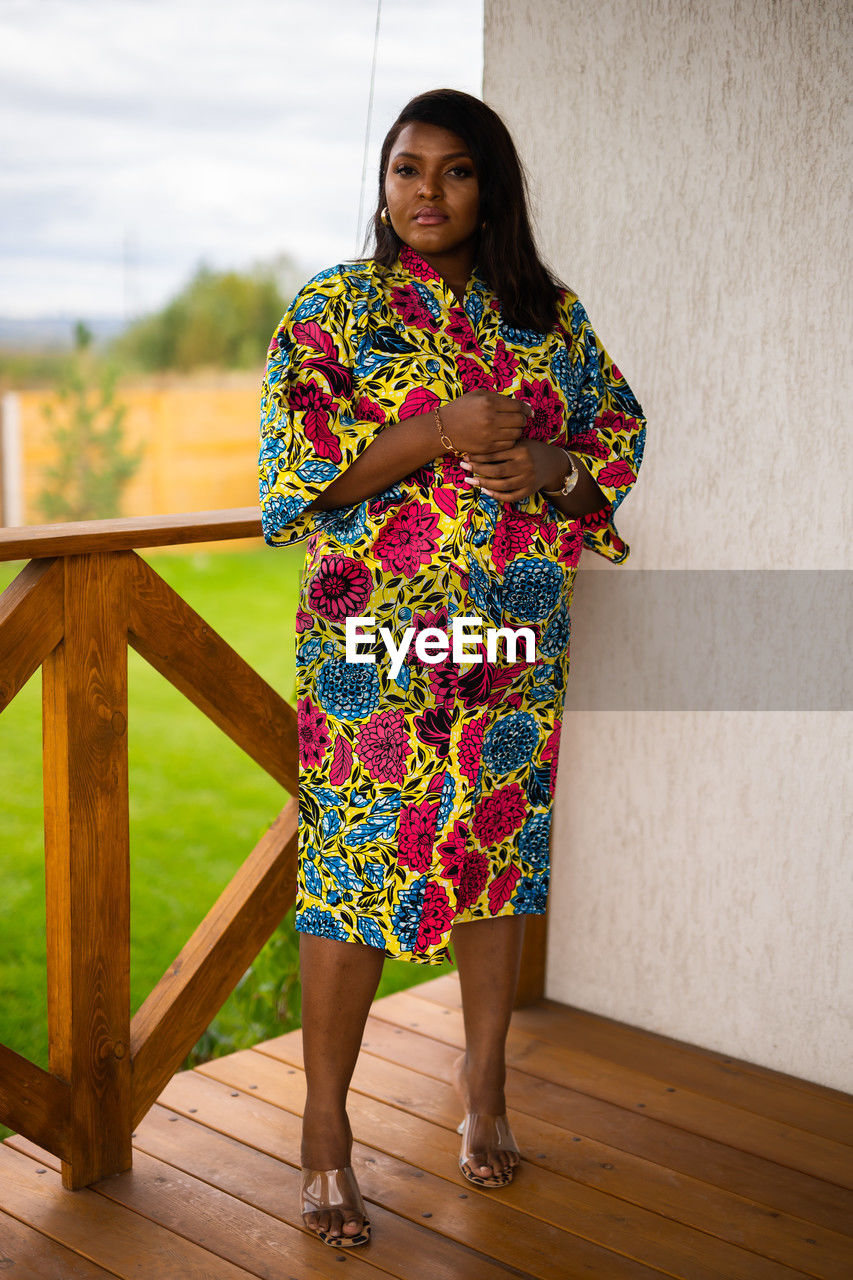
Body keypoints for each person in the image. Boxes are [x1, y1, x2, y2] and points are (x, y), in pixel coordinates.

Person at [258, 87, 646, 1248]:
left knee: (496, 849)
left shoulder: (544, 312)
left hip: (509, 642)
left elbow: (615, 432)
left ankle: (486, 1091)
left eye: (455, 171)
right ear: (382, 185)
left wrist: (551, 466)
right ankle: (324, 1131)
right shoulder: (336, 308)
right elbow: (298, 472)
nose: (426, 193)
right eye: (405, 169)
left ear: (492, 188)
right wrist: (438, 428)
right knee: (351, 868)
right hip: (373, 645)